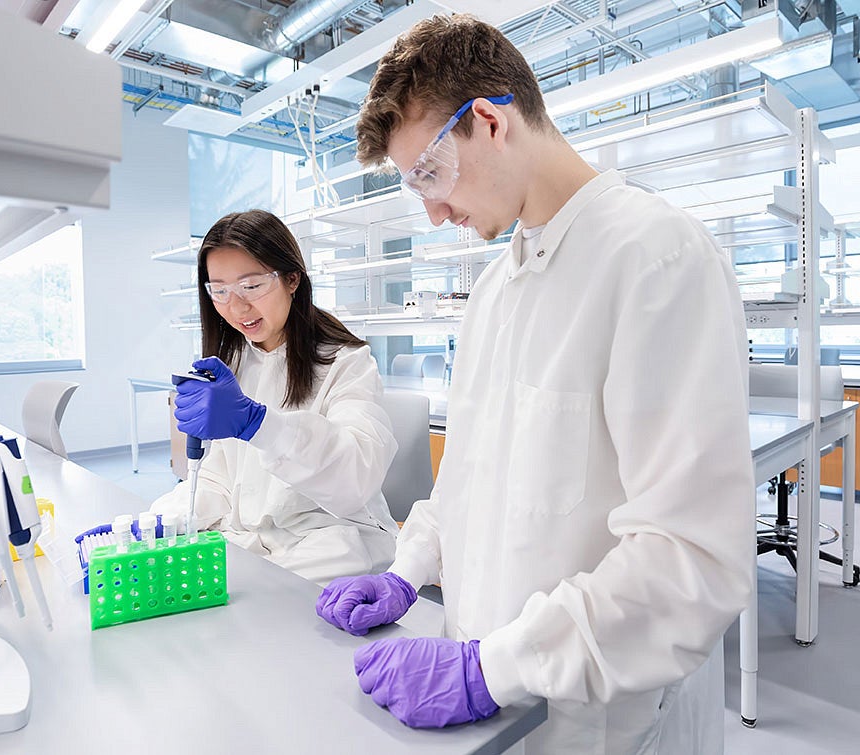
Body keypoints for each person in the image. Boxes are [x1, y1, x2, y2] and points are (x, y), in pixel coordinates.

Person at [315, 14, 754, 753]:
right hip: (492, 703)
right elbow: (468, 480)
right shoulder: (495, 291)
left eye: (429, 172)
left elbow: (690, 557)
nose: (430, 210)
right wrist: (407, 567)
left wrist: (493, 668)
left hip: (601, 717)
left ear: (487, 120)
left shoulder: (655, 257)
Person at [150, 209, 400, 586]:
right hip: (256, 543)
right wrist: (161, 520)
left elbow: (355, 477)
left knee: (250, 607)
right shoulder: (231, 363)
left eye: (251, 286)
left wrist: (259, 425)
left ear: (292, 279)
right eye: (220, 291)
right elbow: (218, 479)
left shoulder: (346, 362)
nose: (236, 307)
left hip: (332, 547)